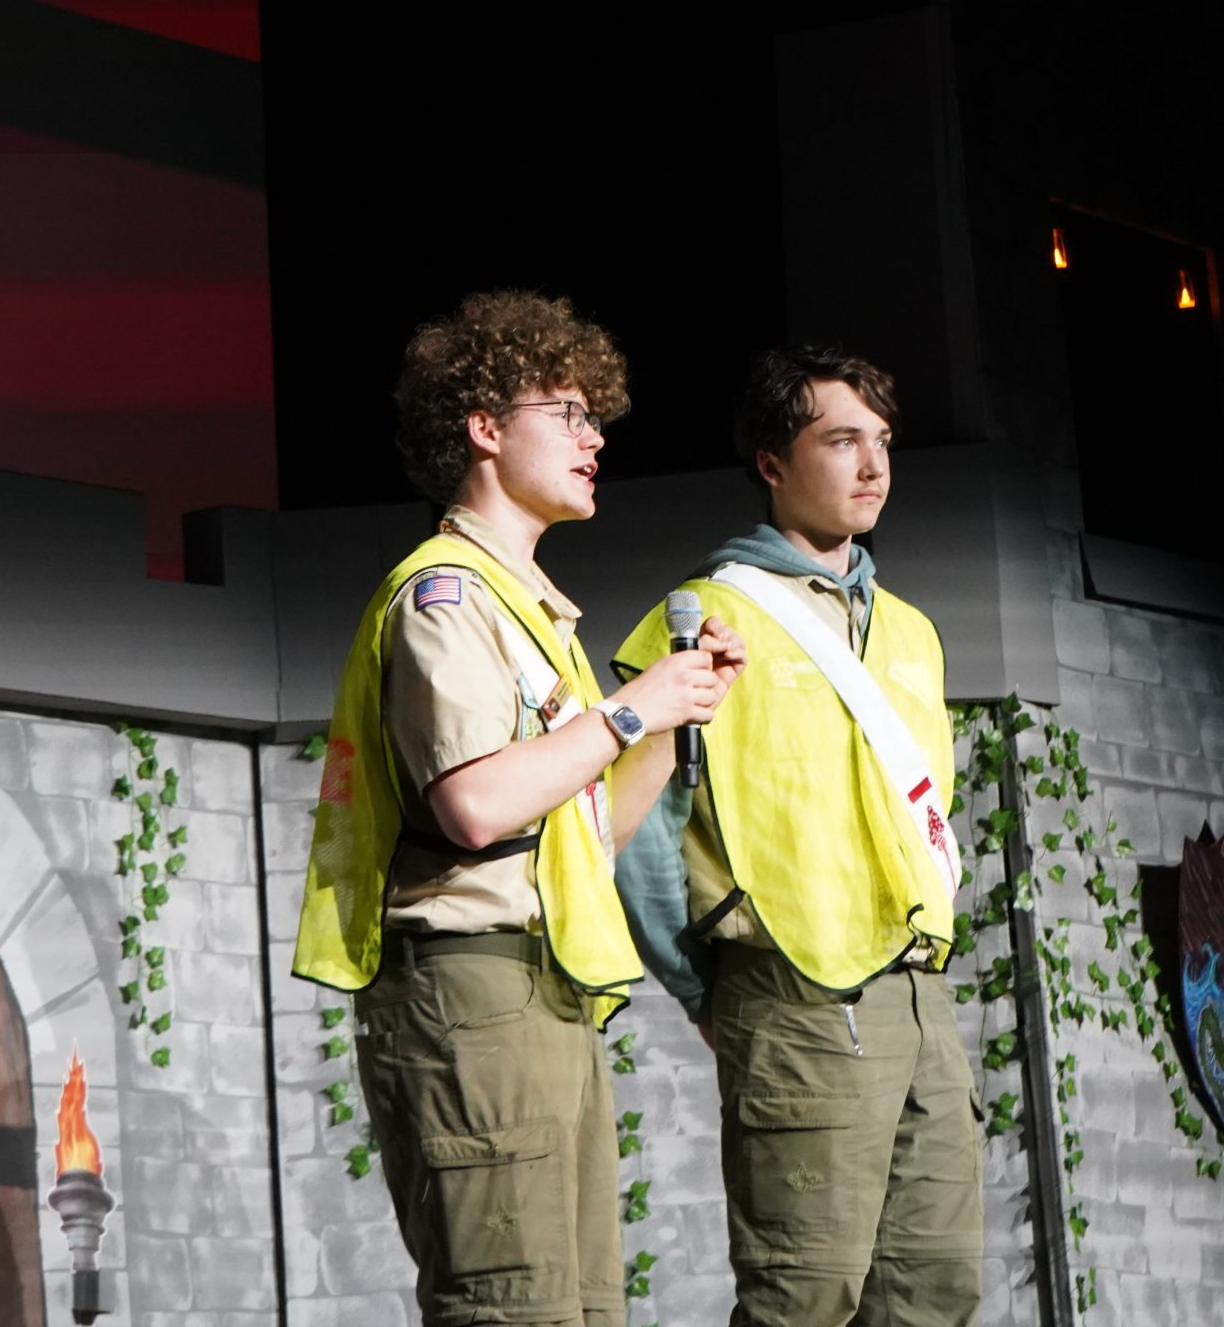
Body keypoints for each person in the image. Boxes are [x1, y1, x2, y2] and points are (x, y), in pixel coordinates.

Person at [294, 289, 746, 1327]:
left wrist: (674, 715)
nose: (595, 439)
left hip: (542, 994)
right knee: (512, 1308)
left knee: (581, 1309)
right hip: (473, 992)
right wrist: (628, 711)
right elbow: (474, 804)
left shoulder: (533, 614)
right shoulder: (444, 598)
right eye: (567, 412)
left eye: (596, 417)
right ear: (484, 428)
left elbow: (586, 834)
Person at [612, 346, 981, 1327]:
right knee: (802, 1300)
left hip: (918, 992)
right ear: (771, 462)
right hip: (791, 996)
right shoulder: (705, 616)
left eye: (883, 441)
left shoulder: (911, 630)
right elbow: (637, 830)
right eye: (842, 439)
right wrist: (704, 987)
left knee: (936, 1294)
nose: (874, 465)